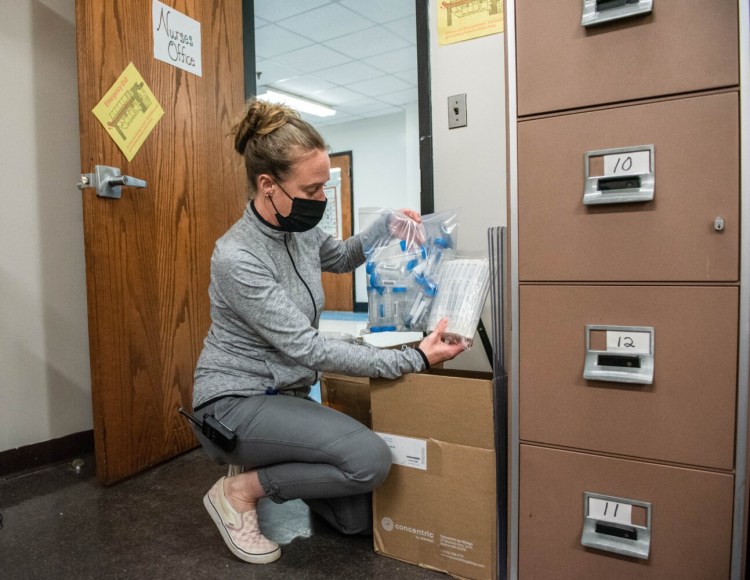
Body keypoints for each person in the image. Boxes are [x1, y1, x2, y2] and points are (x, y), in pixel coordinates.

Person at [190, 98, 466, 565]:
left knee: (355, 521)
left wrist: (384, 225)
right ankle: (239, 490)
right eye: (313, 188)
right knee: (369, 461)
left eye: (325, 187)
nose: (321, 199)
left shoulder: (297, 229)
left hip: (289, 393)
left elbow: (339, 257)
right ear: (268, 186)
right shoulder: (237, 257)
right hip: (236, 400)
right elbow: (306, 346)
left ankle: (269, 459)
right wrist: (413, 358)